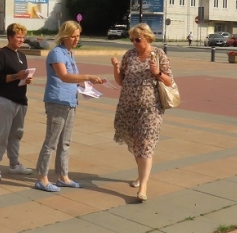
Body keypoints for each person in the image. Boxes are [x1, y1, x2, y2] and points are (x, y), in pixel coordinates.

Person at [34, 21, 106, 192]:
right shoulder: (56, 53)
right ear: (64, 36)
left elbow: (73, 78)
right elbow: (64, 76)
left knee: (65, 142)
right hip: (57, 101)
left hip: (70, 101)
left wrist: (88, 86)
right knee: (51, 141)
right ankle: (42, 178)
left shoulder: (69, 53)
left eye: (78, 36)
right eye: (73, 36)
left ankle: (63, 177)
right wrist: (87, 76)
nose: (76, 39)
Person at [110, 23, 174, 203]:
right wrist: (116, 67)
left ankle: (143, 186)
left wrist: (157, 73)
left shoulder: (159, 54)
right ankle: (141, 175)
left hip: (150, 108)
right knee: (136, 143)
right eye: (132, 39)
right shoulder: (129, 55)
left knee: (146, 144)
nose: (134, 43)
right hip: (128, 107)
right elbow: (121, 81)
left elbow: (169, 81)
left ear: (147, 38)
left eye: (137, 39)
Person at [0, 23, 34, 181]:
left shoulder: (22, 56)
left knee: (16, 134)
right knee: (2, 134)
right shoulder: (1, 55)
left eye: (23, 37)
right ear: (9, 37)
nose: (21, 40)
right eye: (18, 37)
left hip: (20, 99)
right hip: (4, 99)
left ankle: (14, 164)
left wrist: (26, 79)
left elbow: (21, 76)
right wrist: (16, 76)